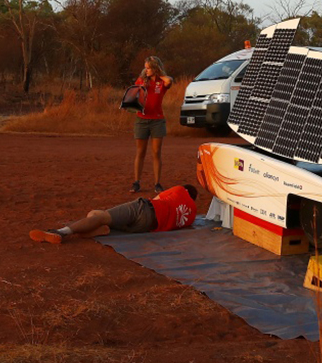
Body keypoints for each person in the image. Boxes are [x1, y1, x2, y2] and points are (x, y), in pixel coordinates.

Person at [29, 185, 199, 244]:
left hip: (145, 209)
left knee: (97, 214)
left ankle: (60, 232)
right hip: (146, 227)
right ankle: (97, 230)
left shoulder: (179, 191)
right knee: (98, 218)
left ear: (185, 190)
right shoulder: (191, 215)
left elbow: (156, 198)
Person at [132, 56, 173, 194]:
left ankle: (157, 183)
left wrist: (159, 73)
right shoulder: (142, 80)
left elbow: (169, 81)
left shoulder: (162, 82)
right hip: (141, 120)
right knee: (140, 152)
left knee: (156, 152)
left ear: (155, 68)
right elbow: (133, 95)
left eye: (149, 68)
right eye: (145, 67)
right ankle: (136, 182)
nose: (146, 70)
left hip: (157, 120)